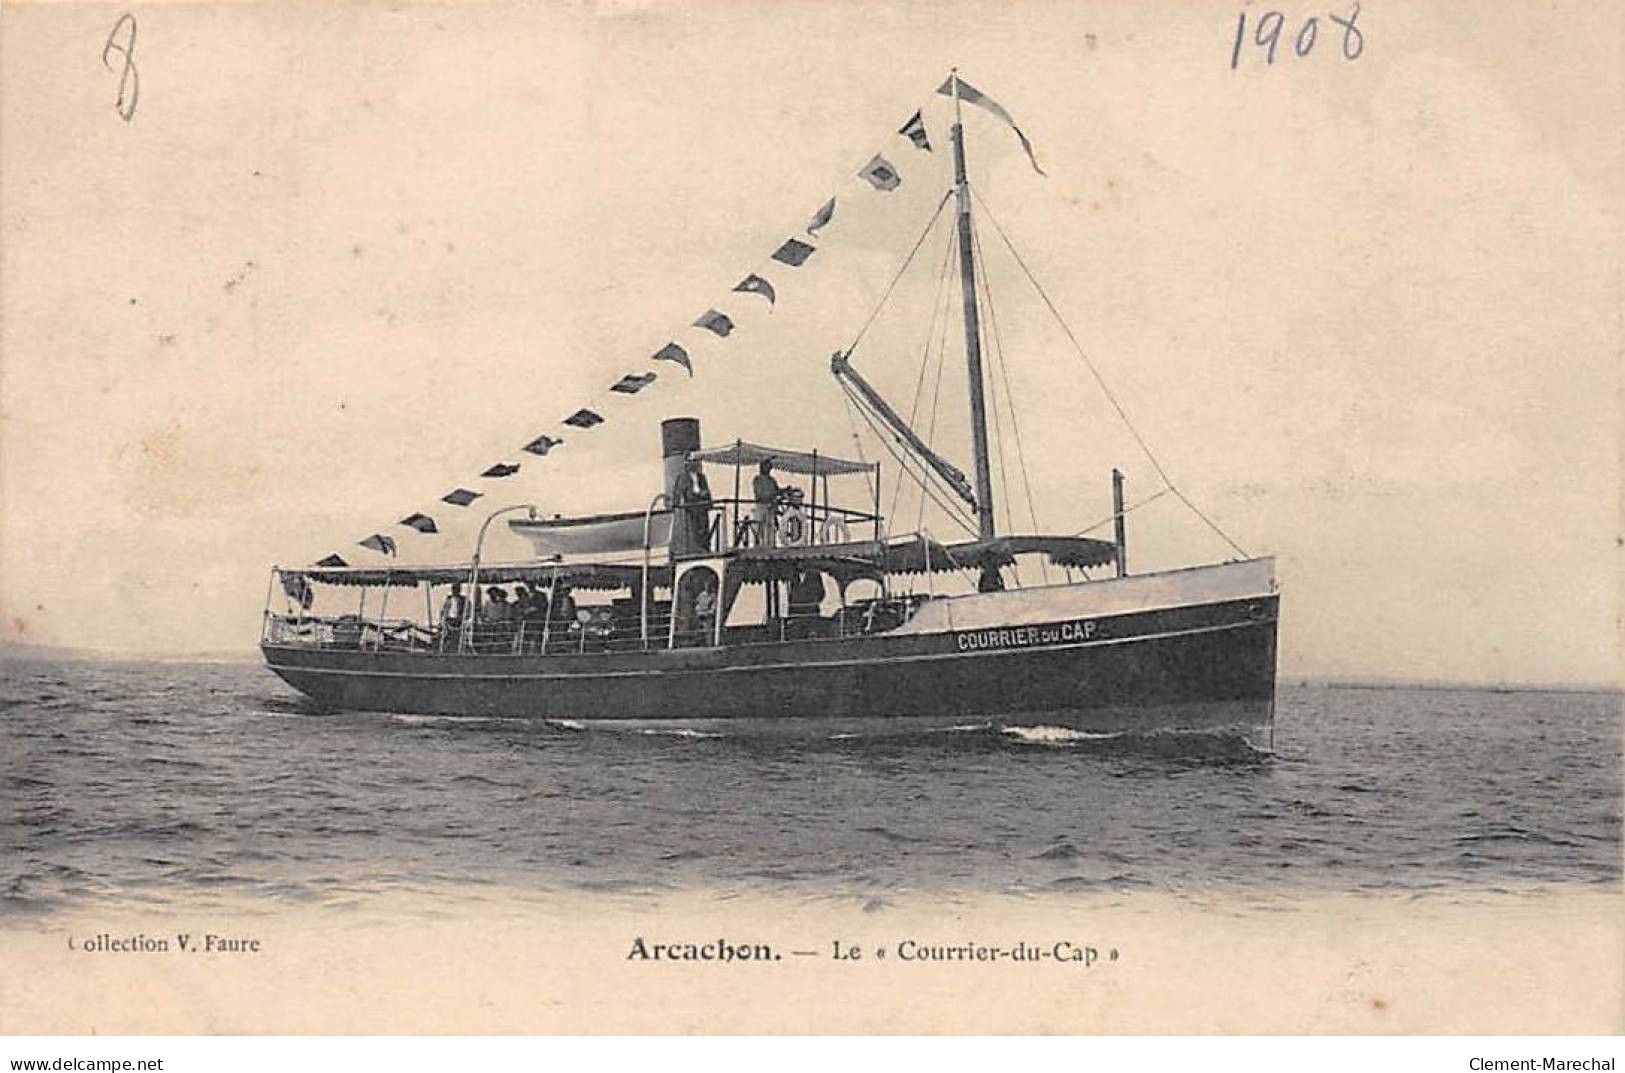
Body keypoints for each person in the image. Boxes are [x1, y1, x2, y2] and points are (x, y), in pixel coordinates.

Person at [671, 456, 713, 554]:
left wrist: (708, 501)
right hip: (691, 507)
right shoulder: (683, 477)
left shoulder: (702, 477)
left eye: (695, 462)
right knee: (694, 529)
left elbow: (707, 491)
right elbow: (680, 492)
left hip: (702, 506)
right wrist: (676, 504)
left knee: (704, 528)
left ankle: (705, 548)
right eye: (691, 462)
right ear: (687, 464)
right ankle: (696, 549)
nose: (694, 465)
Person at [750, 458, 781, 547]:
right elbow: (761, 495)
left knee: (770, 530)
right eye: (766, 466)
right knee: (759, 529)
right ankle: (759, 546)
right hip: (761, 507)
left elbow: (777, 490)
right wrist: (774, 494)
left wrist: (785, 491)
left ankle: (770, 546)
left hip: (770, 508)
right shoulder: (757, 480)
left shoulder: (772, 480)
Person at [438, 582, 468, 650]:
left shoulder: (463, 599)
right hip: (449, 620)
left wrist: (461, 617)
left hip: (458, 621)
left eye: (457, 589)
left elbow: (466, 610)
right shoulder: (448, 599)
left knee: (458, 635)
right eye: (454, 589)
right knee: (446, 634)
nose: (455, 591)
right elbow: (443, 610)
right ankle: (444, 648)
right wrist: (442, 619)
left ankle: (458, 648)